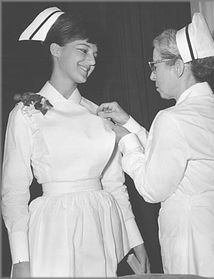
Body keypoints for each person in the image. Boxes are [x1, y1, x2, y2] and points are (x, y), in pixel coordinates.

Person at [1, 7, 150, 277]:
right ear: (56, 50)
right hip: (52, 232)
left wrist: (134, 239)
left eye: (95, 54)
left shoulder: (99, 113)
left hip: (101, 228)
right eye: (83, 50)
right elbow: (13, 193)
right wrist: (20, 259)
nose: (91, 60)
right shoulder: (26, 113)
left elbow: (115, 184)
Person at [97, 13, 214, 277]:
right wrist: (130, 123)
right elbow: (175, 155)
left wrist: (125, 140)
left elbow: (152, 188)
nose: (151, 76)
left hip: (190, 240)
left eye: (155, 65)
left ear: (179, 66)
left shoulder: (173, 118)